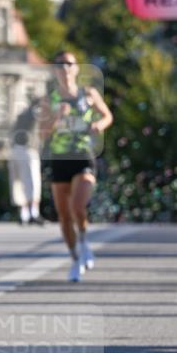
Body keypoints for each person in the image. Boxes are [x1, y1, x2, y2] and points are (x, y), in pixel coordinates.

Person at [39, 50, 113, 282]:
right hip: (60, 159)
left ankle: (83, 240)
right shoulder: (49, 99)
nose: (64, 68)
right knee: (63, 214)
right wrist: (56, 117)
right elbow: (43, 133)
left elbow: (107, 116)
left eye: (69, 64)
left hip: (82, 156)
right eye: (59, 64)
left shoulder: (87, 93)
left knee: (77, 206)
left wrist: (99, 124)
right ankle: (74, 258)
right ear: (55, 70)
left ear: (76, 68)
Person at [8, 99, 44, 226]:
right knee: (31, 181)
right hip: (26, 150)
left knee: (19, 182)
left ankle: (24, 214)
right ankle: (32, 213)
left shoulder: (21, 114)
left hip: (15, 149)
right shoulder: (34, 113)